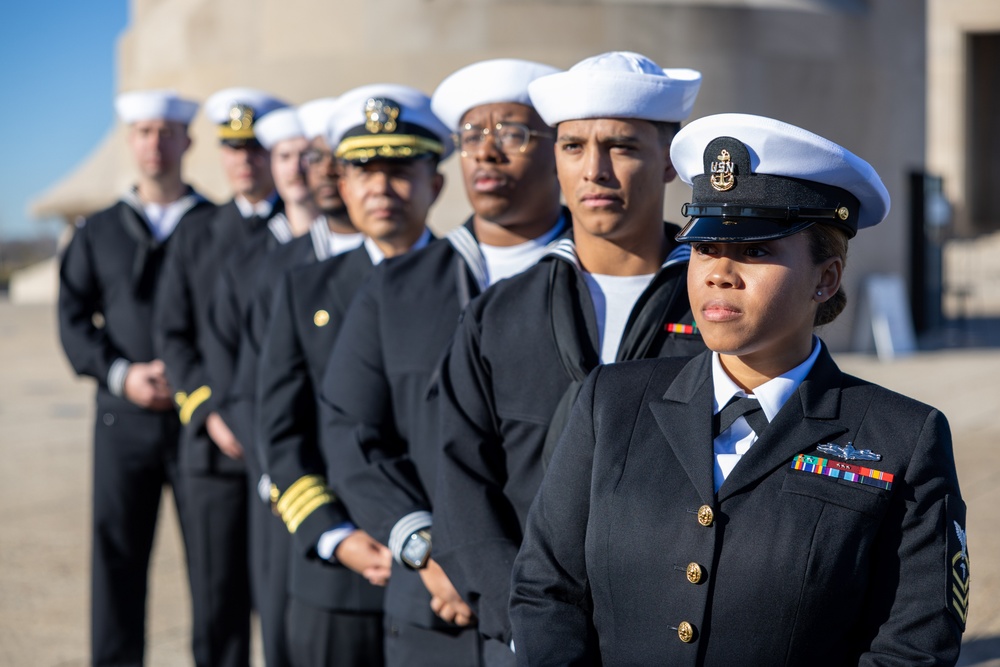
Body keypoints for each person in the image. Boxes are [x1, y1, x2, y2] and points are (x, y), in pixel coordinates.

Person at [509, 113, 969, 666]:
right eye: (705, 247)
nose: (718, 273)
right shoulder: (611, 403)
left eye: (755, 251)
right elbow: (547, 591)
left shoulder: (901, 438)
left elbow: (914, 648)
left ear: (826, 278)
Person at [432, 51, 706, 656]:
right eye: (574, 146)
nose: (595, 171)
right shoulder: (499, 313)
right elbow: (460, 483)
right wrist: (527, 627)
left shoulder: (716, 311)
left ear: (669, 161)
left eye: (622, 147)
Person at [319, 58, 567, 666]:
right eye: (471, 136)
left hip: (562, 608)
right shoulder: (399, 287)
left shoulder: (593, 282)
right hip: (434, 605)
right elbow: (350, 433)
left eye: (512, 133)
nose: (486, 152)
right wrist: (426, 550)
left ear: (560, 149)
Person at [258, 82, 453, 667]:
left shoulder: (477, 288)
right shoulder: (304, 291)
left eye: (399, 170)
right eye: (363, 170)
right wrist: (335, 535)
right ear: (341, 184)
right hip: (338, 583)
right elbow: (280, 432)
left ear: (436, 183)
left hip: (447, 583)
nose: (380, 188)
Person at [57, 89, 216, 667]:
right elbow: (73, 320)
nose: (156, 143)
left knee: (214, 566)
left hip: (200, 422)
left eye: (167, 132)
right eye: (145, 132)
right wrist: (121, 375)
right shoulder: (98, 230)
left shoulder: (216, 224)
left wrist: (199, 382)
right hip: (122, 420)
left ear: (187, 141)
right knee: (117, 560)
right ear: (131, 141)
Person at [154, 86, 287, 667]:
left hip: (287, 451)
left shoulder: (301, 228)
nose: (244, 160)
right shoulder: (197, 232)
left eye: (255, 147)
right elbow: (172, 332)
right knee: (217, 606)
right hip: (215, 453)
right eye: (233, 148)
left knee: (288, 607)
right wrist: (208, 411)